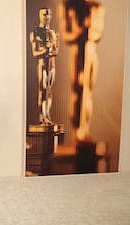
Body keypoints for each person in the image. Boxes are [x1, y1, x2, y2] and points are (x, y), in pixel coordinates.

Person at [59, 0, 105, 141]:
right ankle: (77, 131)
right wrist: (79, 33)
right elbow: (66, 34)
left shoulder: (97, 7)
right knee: (77, 92)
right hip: (76, 52)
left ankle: (84, 130)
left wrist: (89, 33)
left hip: (91, 53)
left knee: (87, 92)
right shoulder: (69, 5)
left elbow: (98, 33)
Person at [29, 7, 59, 125]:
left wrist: (49, 50)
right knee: (42, 90)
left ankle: (48, 115)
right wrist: (46, 51)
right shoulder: (35, 33)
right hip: (41, 64)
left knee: (49, 90)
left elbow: (56, 51)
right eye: (44, 15)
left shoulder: (54, 33)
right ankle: (42, 117)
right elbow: (35, 53)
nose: (46, 17)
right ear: (39, 15)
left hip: (52, 65)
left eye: (48, 15)